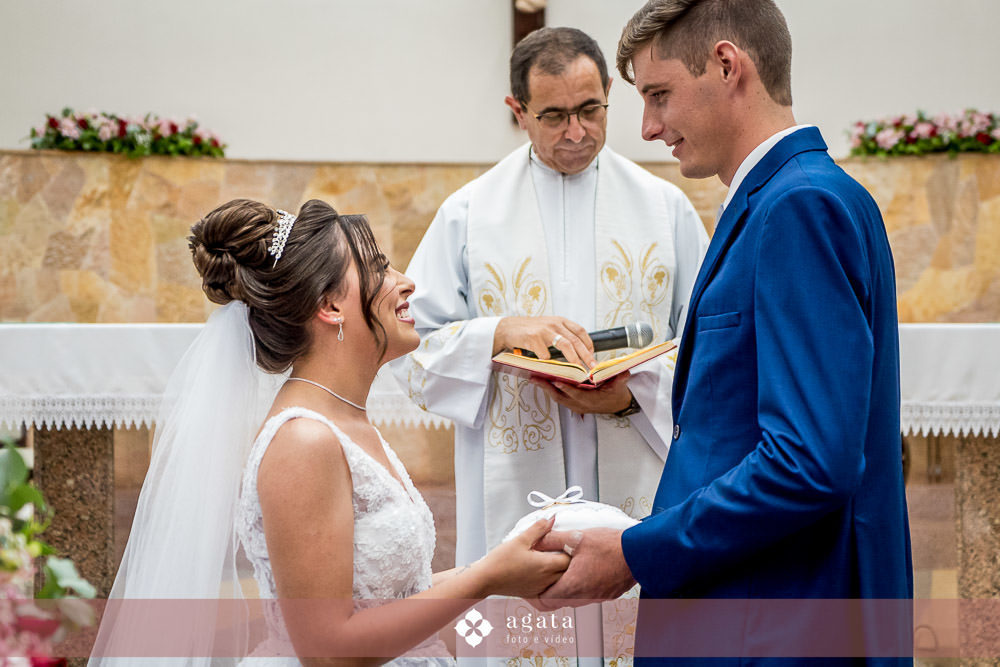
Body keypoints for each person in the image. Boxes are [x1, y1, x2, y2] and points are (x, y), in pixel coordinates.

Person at [535, 1, 914, 664]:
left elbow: (810, 461)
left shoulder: (798, 206)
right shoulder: (796, 194)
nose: (649, 127)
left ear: (726, 65)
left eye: (659, 95)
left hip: (774, 619)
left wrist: (635, 551)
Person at [89, 198, 569, 666]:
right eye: (379, 269)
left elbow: (388, 600)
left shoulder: (347, 422)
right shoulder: (303, 442)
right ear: (330, 306)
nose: (407, 282)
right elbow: (327, 650)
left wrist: (496, 569)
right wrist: (484, 580)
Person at [393, 26, 709, 573]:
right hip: (517, 481)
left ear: (609, 92)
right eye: (554, 116)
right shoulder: (468, 214)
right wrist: (498, 333)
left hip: (637, 461)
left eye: (590, 109)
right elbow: (408, 346)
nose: (576, 132)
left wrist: (632, 397)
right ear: (518, 111)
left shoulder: (666, 209)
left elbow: (710, 346)